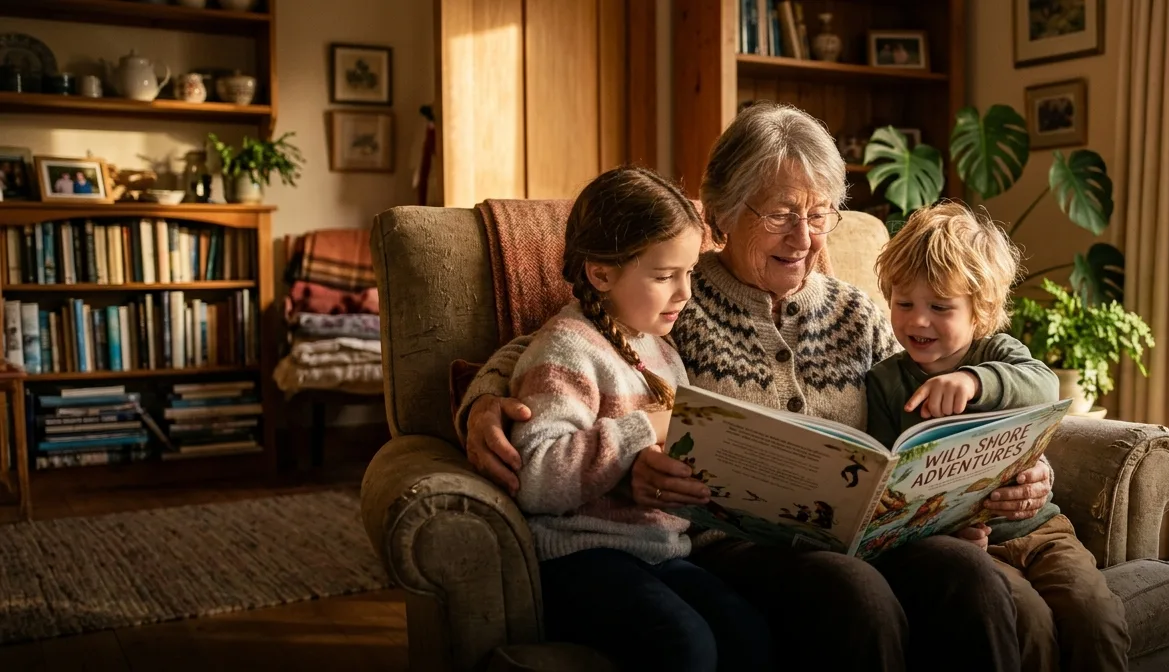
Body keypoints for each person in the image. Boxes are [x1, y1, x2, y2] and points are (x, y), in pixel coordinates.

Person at [457, 102, 1058, 671]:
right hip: (737, 546)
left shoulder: (860, 312)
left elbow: (940, 393)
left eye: (818, 213)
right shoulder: (677, 299)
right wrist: (483, 401)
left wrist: (1014, 470)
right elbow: (569, 340)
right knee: (856, 595)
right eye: (778, 214)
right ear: (720, 214)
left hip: (861, 537)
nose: (803, 237)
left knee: (969, 578)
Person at [505, 165, 770, 671]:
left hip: (662, 550)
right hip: (581, 559)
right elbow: (535, 477)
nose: (685, 292)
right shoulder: (567, 348)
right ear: (601, 273)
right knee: (686, 643)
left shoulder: (662, 351)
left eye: (689, 272)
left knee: (748, 633)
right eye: (665, 275)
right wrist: (645, 427)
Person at [867, 201, 1131, 672]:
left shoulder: (998, 353)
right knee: (1027, 623)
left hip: (1042, 531)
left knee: (1095, 616)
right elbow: (889, 484)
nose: (917, 321)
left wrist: (973, 381)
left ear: (980, 312)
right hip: (971, 546)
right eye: (904, 304)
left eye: (940, 307)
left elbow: (1045, 385)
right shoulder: (887, 382)